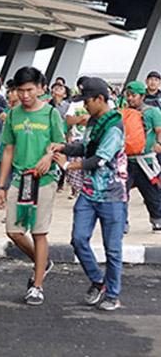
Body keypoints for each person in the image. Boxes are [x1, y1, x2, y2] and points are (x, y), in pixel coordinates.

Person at [52, 77, 128, 311]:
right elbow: (86, 148)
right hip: (88, 192)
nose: (84, 105)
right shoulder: (94, 121)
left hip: (111, 195)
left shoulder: (114, 125)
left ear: (100, 99)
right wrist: (62, 147)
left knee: (112, 249)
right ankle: (98, 280)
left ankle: (112, 295)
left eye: (87, 100)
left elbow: (100, 159)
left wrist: (67, 166)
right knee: (78, 239)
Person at [0, 67, 65, 306]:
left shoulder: (50, 114)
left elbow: (59, 143)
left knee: (39, 232)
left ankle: (37, 286)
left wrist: (49, 156)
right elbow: (8, 150)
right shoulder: (13, 115)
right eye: (20, 90)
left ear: (41, 89)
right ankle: (41, 262)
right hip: (19, 179)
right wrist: (1, 186)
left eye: (29, 90)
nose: (24, 95)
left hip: (44, 181)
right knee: (13, 231)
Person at [123, 81, 161, 232]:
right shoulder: (123, 113)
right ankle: (122, 223)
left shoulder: (152, 112)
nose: (130, 98)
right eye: (128, 95)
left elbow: (159, 130)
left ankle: (157, 218)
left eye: (134, 95)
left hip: (146, 161)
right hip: (126, 160)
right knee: (121, 193)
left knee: (152, 193)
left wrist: (159, 144)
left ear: (142, 96)